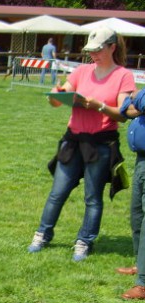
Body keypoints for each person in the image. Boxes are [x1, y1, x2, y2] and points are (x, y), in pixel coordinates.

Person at [27, 27, 135, 261]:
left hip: (101, 144)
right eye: (90, 51)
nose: (93, 55)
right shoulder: (81, 71)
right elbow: (59, 98)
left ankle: (84, 241)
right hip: (73, 140)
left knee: (92, 197)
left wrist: (99, 106)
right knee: (57, 192)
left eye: (98, 50)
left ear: (112, 47)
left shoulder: (123, 75)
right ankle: (42, 234)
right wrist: (56, 95)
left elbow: (123, 114)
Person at [116, 88, 145, 299]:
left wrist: (136, 98)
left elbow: (137, 101)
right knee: (137, 216)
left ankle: (143, 284)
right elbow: (125, 110)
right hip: (141, 160)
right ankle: (140, 264)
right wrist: (133, 103)